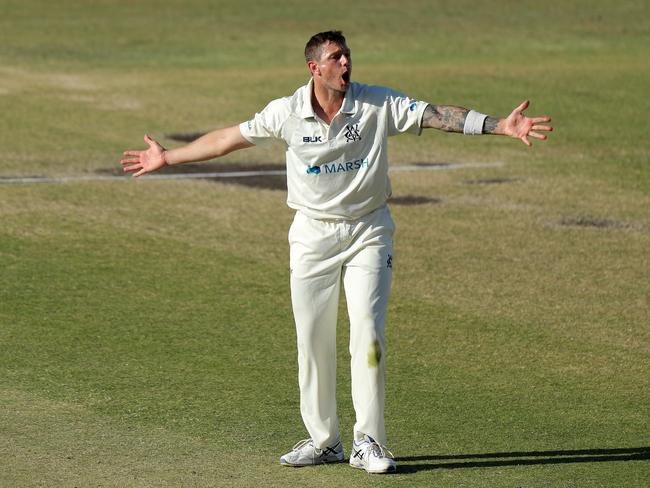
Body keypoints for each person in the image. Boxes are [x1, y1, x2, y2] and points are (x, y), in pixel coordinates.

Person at [121, 30, 552, 474]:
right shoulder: (285, 113)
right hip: (312, 235)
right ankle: (324, 440)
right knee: (312, 338)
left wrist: (499, 125)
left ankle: (369, 441)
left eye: (347, 56)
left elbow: (435, 114)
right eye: (336, 58)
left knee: (367, 332)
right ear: (314, 68)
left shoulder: (375, 103)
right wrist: (168, 158)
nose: (346, 64)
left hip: (369, 229)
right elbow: (229, 138)